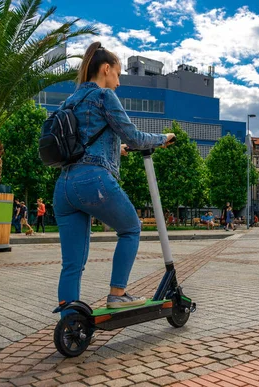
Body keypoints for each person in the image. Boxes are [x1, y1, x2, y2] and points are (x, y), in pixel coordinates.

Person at [53, 41, 175, 314]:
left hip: (64, 187)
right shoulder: (104, 97)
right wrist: (162, 138)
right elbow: (133, 135)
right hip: (93, 182)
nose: (118, 82)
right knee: (131, 228)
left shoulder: (69, 102)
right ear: (105, 69)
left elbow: (81, 139)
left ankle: (70, 319)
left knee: (72, 262)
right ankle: (117, 294)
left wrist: (115, 150)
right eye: (118, 74)